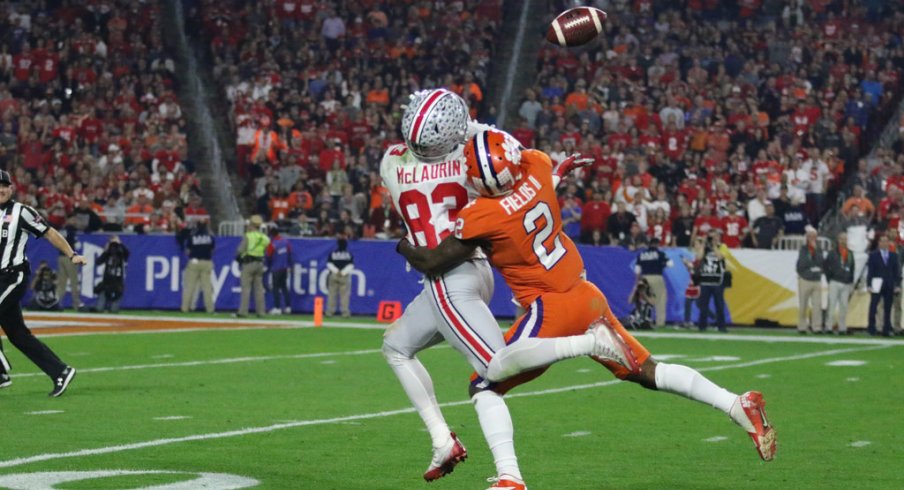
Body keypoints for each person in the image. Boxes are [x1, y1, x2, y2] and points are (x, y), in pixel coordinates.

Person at [399, 131, 776, 471]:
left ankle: (510, 477)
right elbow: (532, 180)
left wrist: (402, 244)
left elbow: (433, 260)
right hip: (585, 292)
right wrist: (555, 176)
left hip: (552, 305)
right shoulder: (538, 166)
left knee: (484, 384)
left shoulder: (483, 213)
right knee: (649, 371)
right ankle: (735, 403)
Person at [379, 89, 527, 490]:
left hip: (447, 278)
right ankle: (443, 441)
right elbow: (505, 150)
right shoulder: (469, 157)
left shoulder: (391, 162)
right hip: (470, 269)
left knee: (492, 374)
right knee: (395, 347)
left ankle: (510, 475)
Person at [0, 169, 83, 397]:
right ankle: (60, 371)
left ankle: (0, 372)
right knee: (18, 335)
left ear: (12, 188)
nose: (1, 189)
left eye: (4, 186)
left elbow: (49, 233)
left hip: (12, 276)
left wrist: (71, 253)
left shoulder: (22, 212)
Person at [633, 237, 673, 328]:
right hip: (657, 277)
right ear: (657, 244)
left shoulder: (642, 254)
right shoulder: (660, 254)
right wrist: (662, 264)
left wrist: (637, 282)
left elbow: (637, 270)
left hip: (644, 278)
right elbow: (670, 264)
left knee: (645, 300)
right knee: (660, 300)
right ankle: (660, 323)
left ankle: (643, 320)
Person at [235, 215, 270, 318]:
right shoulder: (265, 238)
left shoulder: (248, 236)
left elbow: (240, 250)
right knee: (259, 289)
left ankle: (243, 311)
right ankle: (261, 312)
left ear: (251, 225)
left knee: (246, 288)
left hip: (249, 263)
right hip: (259, 263)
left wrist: (238, 258)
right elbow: (265, 250)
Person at [179, 219, 216, 313]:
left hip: (194, 262)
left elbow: (187, 250)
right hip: (206, 262)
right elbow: (213, 250)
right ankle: (210, 309)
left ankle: (184, 308)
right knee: (207, 287)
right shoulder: (210, 237)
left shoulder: (193, 236)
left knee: (189, 287)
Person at [867, 234, 900, 336]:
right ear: (879, 243)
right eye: (882, 241)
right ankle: (872, 328)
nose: (884, 243)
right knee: (873, 306)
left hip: (889, 284)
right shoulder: (873, 255)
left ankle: (886, 328)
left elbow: (896, 272)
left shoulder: (893, 255)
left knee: (888, 307)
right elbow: (870, 271)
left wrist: (897, 285)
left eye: (886, 241)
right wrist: (869, 284)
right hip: (876, 283)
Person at [696, 230, 728, 332]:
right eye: (712, 237)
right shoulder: (705, 247)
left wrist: (714, 246)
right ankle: (702, 326)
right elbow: (699, 257)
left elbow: (720, 257)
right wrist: (704, 244)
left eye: (716, 236)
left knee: (719, 305)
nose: (714, 238)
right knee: (703, 305)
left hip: (717, 281)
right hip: (705, 280)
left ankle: (721, 326)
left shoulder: (723, 246)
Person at [824, 231, 854, 335]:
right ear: (838, 240)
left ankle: (842, 327)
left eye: (845, 239)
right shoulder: (832, 253)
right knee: (831, 305)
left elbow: (852, 268)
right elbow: (826, 266)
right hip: (835, 281)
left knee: (844, 306)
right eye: (842, 239)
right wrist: (830, 279)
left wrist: (851, 281)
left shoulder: (850, 253)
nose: (843, 241)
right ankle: (828, 327)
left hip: (846, 283)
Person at [795, 227, 824, 333]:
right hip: (805, 279)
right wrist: (812, 267)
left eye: (813, 236)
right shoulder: (803, 249)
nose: (812, 238)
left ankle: (817, 327)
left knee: (817, 305)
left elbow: (821, 262)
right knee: (803, 304)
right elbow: (802, 264)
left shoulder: (819, 249)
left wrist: (815, 250)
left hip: (816, 280)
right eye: (809, 236)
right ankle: (802, 326)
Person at [95, 235, 129, 313]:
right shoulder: (108, 253)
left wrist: (119, 244)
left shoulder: (121, 253)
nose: (114, 246)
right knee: (99, 309)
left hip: (117, 281)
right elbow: (98, 262)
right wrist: (106, 251)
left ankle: (112, 308)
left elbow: (127, 253)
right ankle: (102, 307)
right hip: (107, 281)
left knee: (114, 310)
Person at [55, 217, 81, 310]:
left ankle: (57, 303)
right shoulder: (71, 229)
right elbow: (77, 243)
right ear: (68, 220)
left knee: (61, 282)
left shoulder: (62, 229)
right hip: (69, 257)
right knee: (74, 281)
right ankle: (76, 304)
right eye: (73, 219)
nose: (75, 221)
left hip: (61, 256)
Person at [266, 226, 292, 315]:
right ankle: (288, 307)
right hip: (284, 268)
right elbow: (289, 253)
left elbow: (268, 256)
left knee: (275, 288)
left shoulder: (272, 244)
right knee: (284, 287)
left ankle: (277, 308)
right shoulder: (285, 242)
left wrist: (268, 266)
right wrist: (289, 265)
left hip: (276, 268)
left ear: (271, 235)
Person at [325, 236, 352, 317]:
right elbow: (351, 265)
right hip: (344, 276)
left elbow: (329, 264)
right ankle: (345, 313)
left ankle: (330, 312)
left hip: (334, 275)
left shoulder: (333, 253)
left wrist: (336, 271)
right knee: (344, 295)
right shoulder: (348, 254)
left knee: (331, 294)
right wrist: (343, 272)